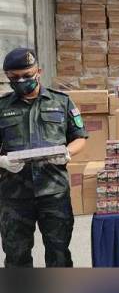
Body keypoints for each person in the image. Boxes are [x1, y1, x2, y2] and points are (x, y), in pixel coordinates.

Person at [0, 48, 88, 267]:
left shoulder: (61, 102)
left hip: (54, 193)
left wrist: (67, 153)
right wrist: (1, 161)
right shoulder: (1, 107)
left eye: (27, 75)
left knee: (59, 253)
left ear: (38, 71)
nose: (21, 81)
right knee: (16, 255)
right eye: (14, 77)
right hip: (14, 196)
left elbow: (79, 137)